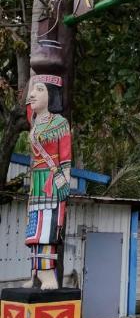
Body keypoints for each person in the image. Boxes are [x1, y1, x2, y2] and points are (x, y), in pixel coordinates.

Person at [24, 74, 71, 290]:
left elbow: (66, 158)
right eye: (33, 89)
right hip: (36, 182)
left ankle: (48, 275)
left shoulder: (60, 123)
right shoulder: (34, 123)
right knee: (34, 230)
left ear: (51, 95)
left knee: (47, 230)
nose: (32, 94)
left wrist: (64, 185)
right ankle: (36, 273)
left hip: (51, 182)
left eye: (40, 89)